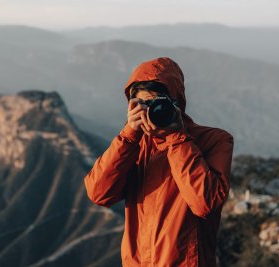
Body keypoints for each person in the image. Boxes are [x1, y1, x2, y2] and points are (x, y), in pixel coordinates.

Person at [84, 57, 234, 267]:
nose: (150, 110)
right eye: (142, 103)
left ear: (176, 102)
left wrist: (176, 138)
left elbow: (204, 204)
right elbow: (98, 193)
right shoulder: (134, 146)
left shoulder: (214, 140)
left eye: (157, 102)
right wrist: (128, 137)